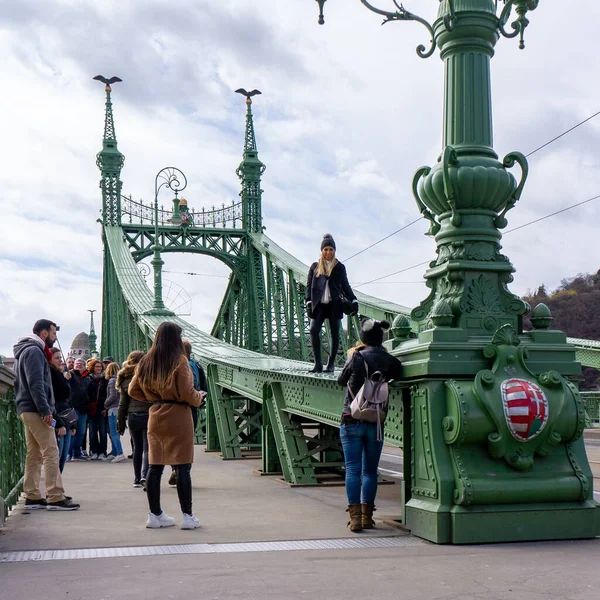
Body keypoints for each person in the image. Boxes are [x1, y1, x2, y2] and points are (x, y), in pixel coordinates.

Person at [129, 322, 205, 530]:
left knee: (155, 465)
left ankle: (155, 515)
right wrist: (199, 397)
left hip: (155, 414)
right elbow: (188, 393)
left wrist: (153, 397)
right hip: (179, 415)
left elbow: (132, 390)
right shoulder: (180, 360)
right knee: (182, 466)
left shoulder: (145, 361)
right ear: (175, 339)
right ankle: (188, 517)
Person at [336, 319, 402, 532]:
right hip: (375, 421)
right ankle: (367, 517)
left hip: (351, 419)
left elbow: (340, 380)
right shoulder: (389, 361)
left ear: (363, 339)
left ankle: (355, 519)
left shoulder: (356, 357)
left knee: (353, 470)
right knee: (370, 471)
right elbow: (398, 373)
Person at [13, 319, 79, 510]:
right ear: (44, 334)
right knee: (51, 451)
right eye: (53, 334)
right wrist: (45, 410)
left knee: (34, 454)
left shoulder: (24, 350)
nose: (54, 338)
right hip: (35, 409)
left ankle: (32, 495)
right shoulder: (34, 351)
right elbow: (36, 384)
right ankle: (55, 496)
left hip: (25, 407)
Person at [306, 233, 358, 373]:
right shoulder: (315, 267)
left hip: (334, 304)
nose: (328, 252)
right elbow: (309, 285)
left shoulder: (340, 267)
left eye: (331, 249)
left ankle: (331, 363)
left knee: (335, 335)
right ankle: (318, 363)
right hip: (319, 305)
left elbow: (345, 286)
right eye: (326, 249)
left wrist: (353, 299)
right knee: (313, 330)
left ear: (334, 251)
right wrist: (308, 302)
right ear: (321, 251)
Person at [168, 340, 207, 487]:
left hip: (173, 408)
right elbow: (204, 387)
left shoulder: (171, 365)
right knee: (187, 442)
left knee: (173, 441)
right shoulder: (197, 366)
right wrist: (198, 399)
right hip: (192, 408)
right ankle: (184, 472)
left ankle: (175, 468)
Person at [117, 351, 148, 488]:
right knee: (148, 449)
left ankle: (136, 479)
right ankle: (145, 475)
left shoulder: (124, 378)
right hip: (148, 414)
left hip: (132, 416)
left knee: (137, 448)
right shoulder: (146, 376)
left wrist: (121, 422)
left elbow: (122, 404)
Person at [48, 347, 73, 473]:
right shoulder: (51, 374)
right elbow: (53, 400)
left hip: (65, 419)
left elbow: (67, 398)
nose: (60, 361)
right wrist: (58, 424)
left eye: (61, 358)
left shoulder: (59, 374)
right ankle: (52, 489)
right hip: (57, 419)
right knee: (57, 455)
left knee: (63, 456)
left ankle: (57, 488)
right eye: (57, 358)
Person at [69, 357, 90, 461]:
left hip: (84, 408)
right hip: (74, 407)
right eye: (77, 364)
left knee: (81, 432)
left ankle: (77, 453)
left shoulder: (87, 378)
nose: (78, 365)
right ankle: (70, 453)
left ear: (85, 367)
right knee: (73, 431)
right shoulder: (71, 375)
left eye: (81, 364)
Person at [104, 362, 126, 463]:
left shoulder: (112, 381)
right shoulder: (120, 379)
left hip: (113, 409)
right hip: (119, 408)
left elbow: (112, 396)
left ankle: (119, 453)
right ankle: (114, 452)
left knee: (113, 432)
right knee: (115, 432)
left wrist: (105, 404)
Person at [87, 358, 108, 460]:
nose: (99, 368)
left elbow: (108, 394)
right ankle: (94, 451)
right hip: (92, 409)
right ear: (93, 368)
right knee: (92, 432)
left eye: (100, 367)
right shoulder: (88, 379)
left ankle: (103, 452)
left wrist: (106, 407)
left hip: (102, 408)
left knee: (103, 432)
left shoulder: (105, 379)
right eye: (96, 367)